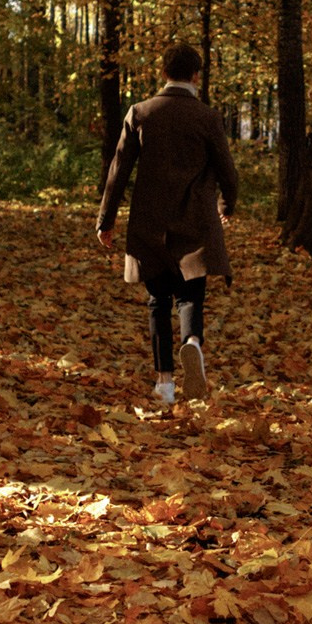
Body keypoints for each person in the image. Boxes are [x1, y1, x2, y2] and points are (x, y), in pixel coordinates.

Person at [97, 43, 238, 405]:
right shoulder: (207, 117)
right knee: (191, 294)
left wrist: (106, 220)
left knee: (158, 301)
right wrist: (227, 203)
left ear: (163, 73)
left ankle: (165, 384)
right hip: (196, 219)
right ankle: (192, 343)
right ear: (195, 76)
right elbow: (228, 171)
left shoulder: (141, 113)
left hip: (151, 222)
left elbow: (118, 171)